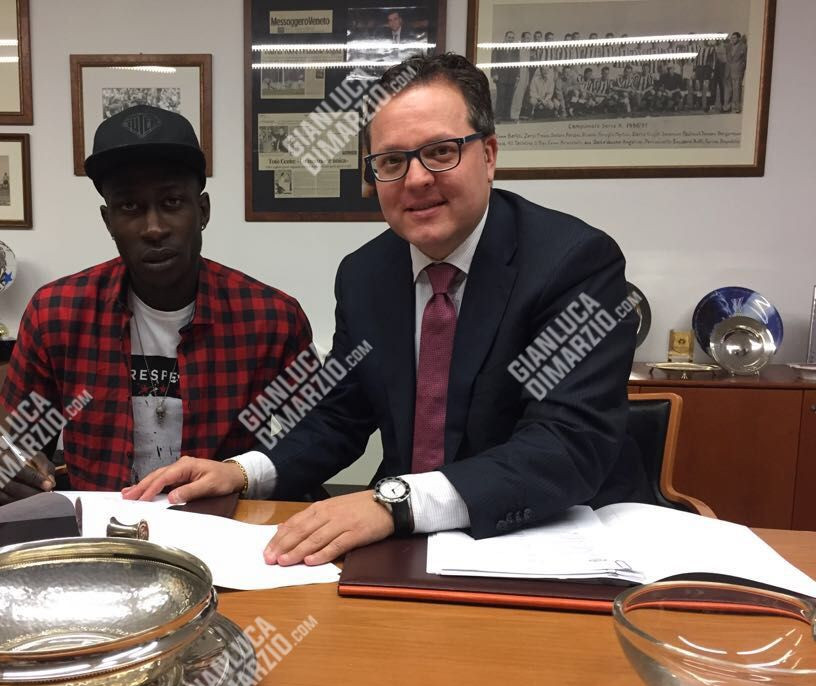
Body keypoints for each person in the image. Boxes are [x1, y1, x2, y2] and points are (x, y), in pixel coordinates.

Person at [125, 53, 643, 567]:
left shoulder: (574, 263)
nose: (416, 179)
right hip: (406, 543)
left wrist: (393, 503)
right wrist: (242, 472)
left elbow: (566, 443)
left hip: (550, 539)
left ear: (488, 155)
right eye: (392, 161)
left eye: (440, 152)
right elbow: (340, 414)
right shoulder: (365, 275)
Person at [0, 104, 312, 502]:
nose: (154, 228)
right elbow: (18, 446)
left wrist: (246, 475)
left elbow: (315, 440)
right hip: (101, 528)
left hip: (225, 522)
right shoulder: (55, 313)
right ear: (108, 221)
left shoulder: (273, 319)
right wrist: (7, 470)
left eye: (172, 202)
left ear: (203, 211)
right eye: (130, 207)